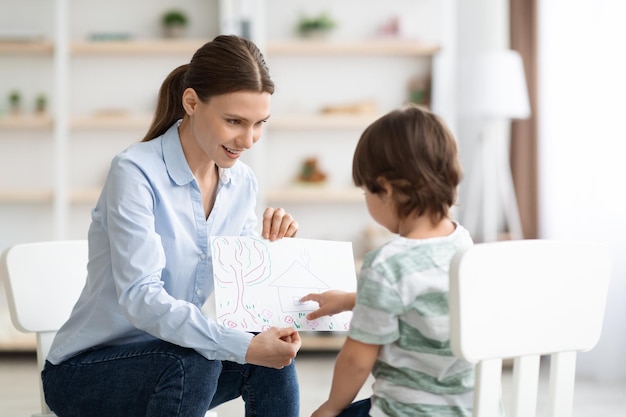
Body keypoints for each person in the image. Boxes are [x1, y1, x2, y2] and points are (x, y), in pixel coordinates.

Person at [42, 35, 302, 417]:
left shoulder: (241, 183)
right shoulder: (134, 172)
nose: (248, 140)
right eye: (234, 121)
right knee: (195, 360)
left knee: (272, 362)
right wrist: (241, 346)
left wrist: (271, 250)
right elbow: (141, 297)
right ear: (192, 102)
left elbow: (240, 302)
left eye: (259, 123)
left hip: (177, 364)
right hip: (87, 373)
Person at [302, 104, 475, 417]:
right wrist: (352, 300)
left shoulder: (387, 263)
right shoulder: (462, 242)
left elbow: (356, 361)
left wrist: (330, 407)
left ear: (385, 188)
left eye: (365, 192)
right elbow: (427, 302)